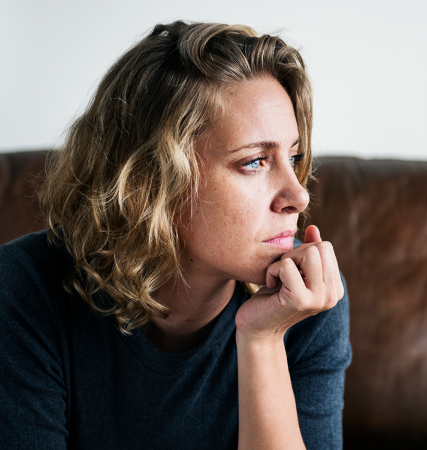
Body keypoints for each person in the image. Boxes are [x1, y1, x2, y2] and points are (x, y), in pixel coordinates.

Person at [0, 21, 351, 450]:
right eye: (255, 161)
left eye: (293, 157)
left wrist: (262, 340)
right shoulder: (22, 289)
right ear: (152, 179)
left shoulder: (307, 298)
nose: (298, 194)